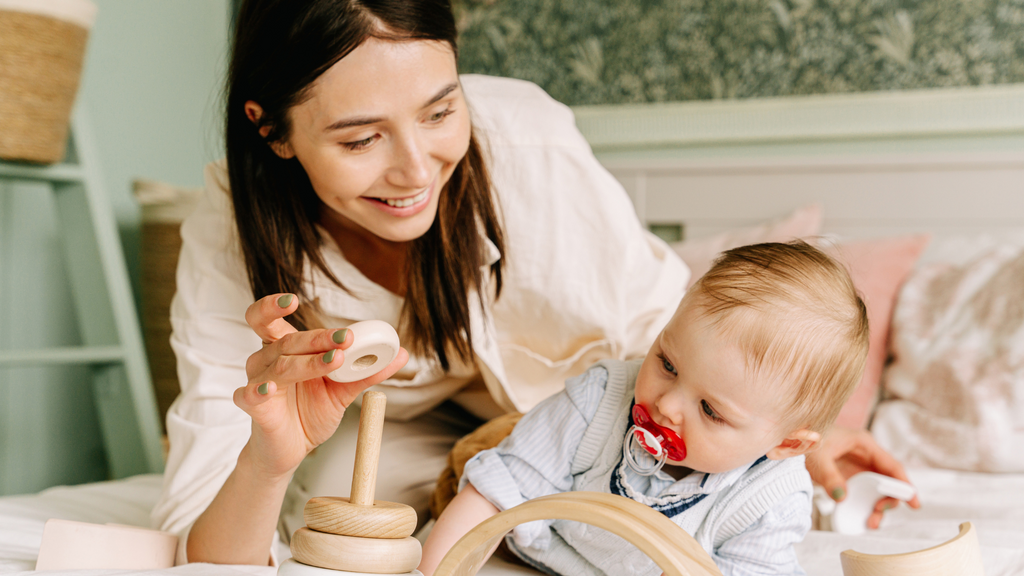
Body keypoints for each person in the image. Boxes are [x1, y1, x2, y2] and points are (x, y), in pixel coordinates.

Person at [152, 0, 918, 566]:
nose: (417, 172)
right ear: (271, 128)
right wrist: (267, 455)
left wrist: (772, 437)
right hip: (422, 440)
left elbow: (681, 347)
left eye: (441, 111)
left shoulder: (529, 146)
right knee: (339, 518)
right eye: (360, 138)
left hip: (582, 420)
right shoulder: (234, 233)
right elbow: (201, 538)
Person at [420, 241, 876, 576]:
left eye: (711, 411)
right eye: (667, 363)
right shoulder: (599, 400)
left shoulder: (770, 498)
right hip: (539, 553)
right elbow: (492, 494)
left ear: (787, 443)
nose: (667, 405)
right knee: (475, 471)